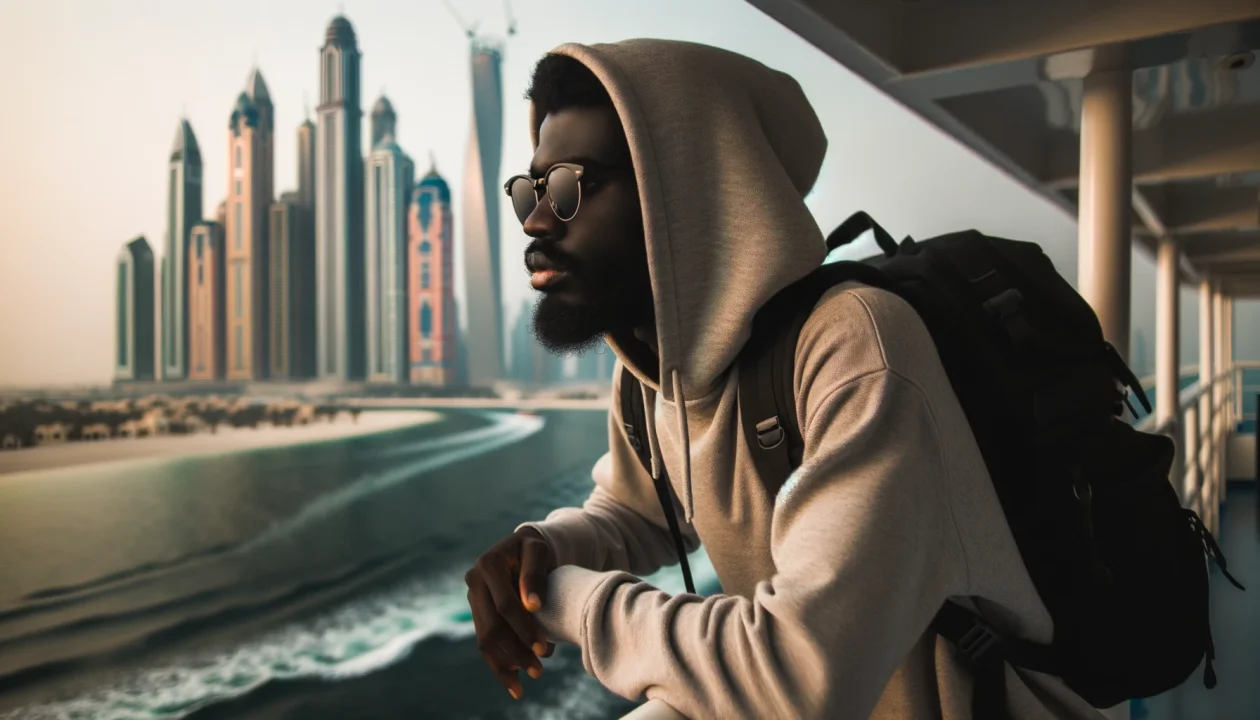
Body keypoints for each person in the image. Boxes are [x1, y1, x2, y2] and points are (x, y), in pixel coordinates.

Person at [464, 39, 1105, 719]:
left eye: (567, 187)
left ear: (680, 186)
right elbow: (637, 512)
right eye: (530, 190)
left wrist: (563, 602)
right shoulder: (654, 375)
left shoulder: (855, 345)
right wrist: (544, 550)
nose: (535, 220)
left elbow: (796, 678)